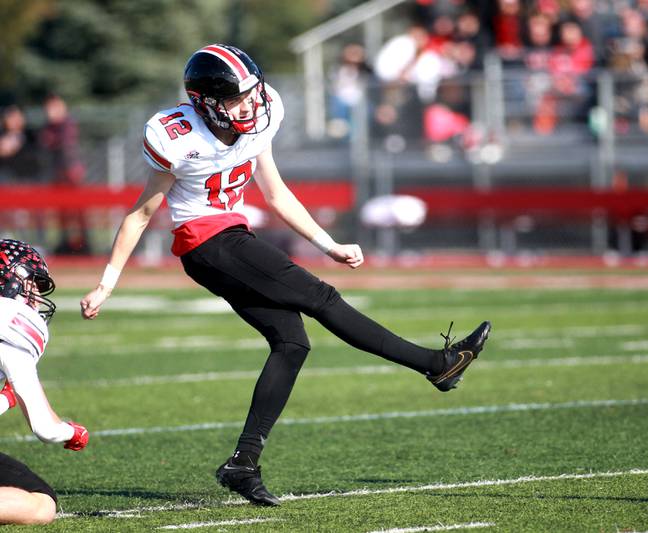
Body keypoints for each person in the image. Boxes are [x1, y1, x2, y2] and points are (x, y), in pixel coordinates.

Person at [79, 44, 491, 507]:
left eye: (251, 94)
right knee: (322, 298)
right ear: (207, 103)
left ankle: (243, 463)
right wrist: (106, 283)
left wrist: (327, 243)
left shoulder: (264, 110)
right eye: (237, 99)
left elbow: (274, 191)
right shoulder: (174, 135)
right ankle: (437, 365)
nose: (250, 104)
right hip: (207, 242)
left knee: (292, 343)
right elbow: (140, 214)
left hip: (229, 238)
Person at [0, 239, 90, 525]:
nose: (38, 295)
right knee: (41, 504)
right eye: (33, 282)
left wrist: (5, 399)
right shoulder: (12, 319)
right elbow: (45, 429)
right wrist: (73, 432)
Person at [38, 93, 90, 255]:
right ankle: (65, 244)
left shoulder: (66, 125)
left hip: (70, 175)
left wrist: (73, 169)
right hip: (57, 176)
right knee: (61, 215)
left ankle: (84, 246)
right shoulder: (49, 127)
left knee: (78, 213)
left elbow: (67, 148)